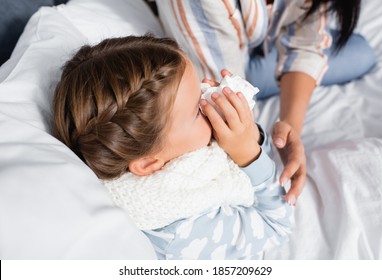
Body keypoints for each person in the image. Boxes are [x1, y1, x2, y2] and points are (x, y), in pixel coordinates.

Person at [52, 35, 293, 259]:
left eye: (201, 90)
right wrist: (249, 155)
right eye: (197, 110)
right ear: (148, 163)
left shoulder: (176, 151)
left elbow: (264, 153)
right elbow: (278, 225)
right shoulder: (182, 232)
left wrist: (250, 135)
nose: (209, 101)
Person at [154, 0, 376, 204]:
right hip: (219, 52)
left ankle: (254, 67)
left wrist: (290, 125)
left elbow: (306, 40)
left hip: (248, 47)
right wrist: (253, 148)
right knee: (228, 101)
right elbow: (225, 97)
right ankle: (252, 72)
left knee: (361, 51)